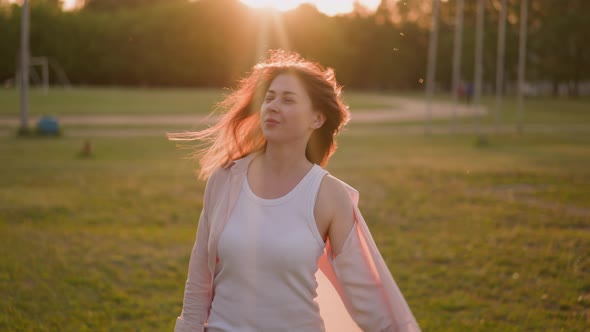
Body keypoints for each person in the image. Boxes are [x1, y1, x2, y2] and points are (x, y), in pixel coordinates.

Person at [169, 50, 421, 332]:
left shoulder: (330, 195)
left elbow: (368, 296)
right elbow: (200, 276)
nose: (273, 106)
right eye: (269, 97)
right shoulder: (225, 180)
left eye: (288, 99)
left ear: (317, 119)